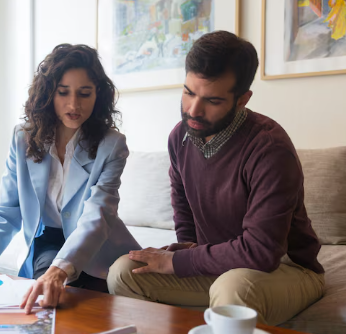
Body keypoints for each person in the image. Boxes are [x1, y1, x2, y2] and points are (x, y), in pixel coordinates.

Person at [107, 31, 325, 326]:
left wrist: (176, 262)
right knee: (124, 271)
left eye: (212, 100)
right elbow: (183, 208)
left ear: (242, 100)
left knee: (232, 289)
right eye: (188, 92)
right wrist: (185, 249)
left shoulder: (269, 147)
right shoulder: (180, 137)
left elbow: (261, 252)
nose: (193, 110)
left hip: (286, 269)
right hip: (218, 264)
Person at [0, 44, 140, 314]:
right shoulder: (22, 139)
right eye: (63, 92)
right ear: (48, 93)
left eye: (84, 93)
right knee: (47, 304)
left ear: (97, 95)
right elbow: (7, 210)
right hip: (47, 243)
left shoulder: (111, 145)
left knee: (101, 310)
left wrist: (62, 269)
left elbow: (98, 216)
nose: (74, 104)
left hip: (98, 247)